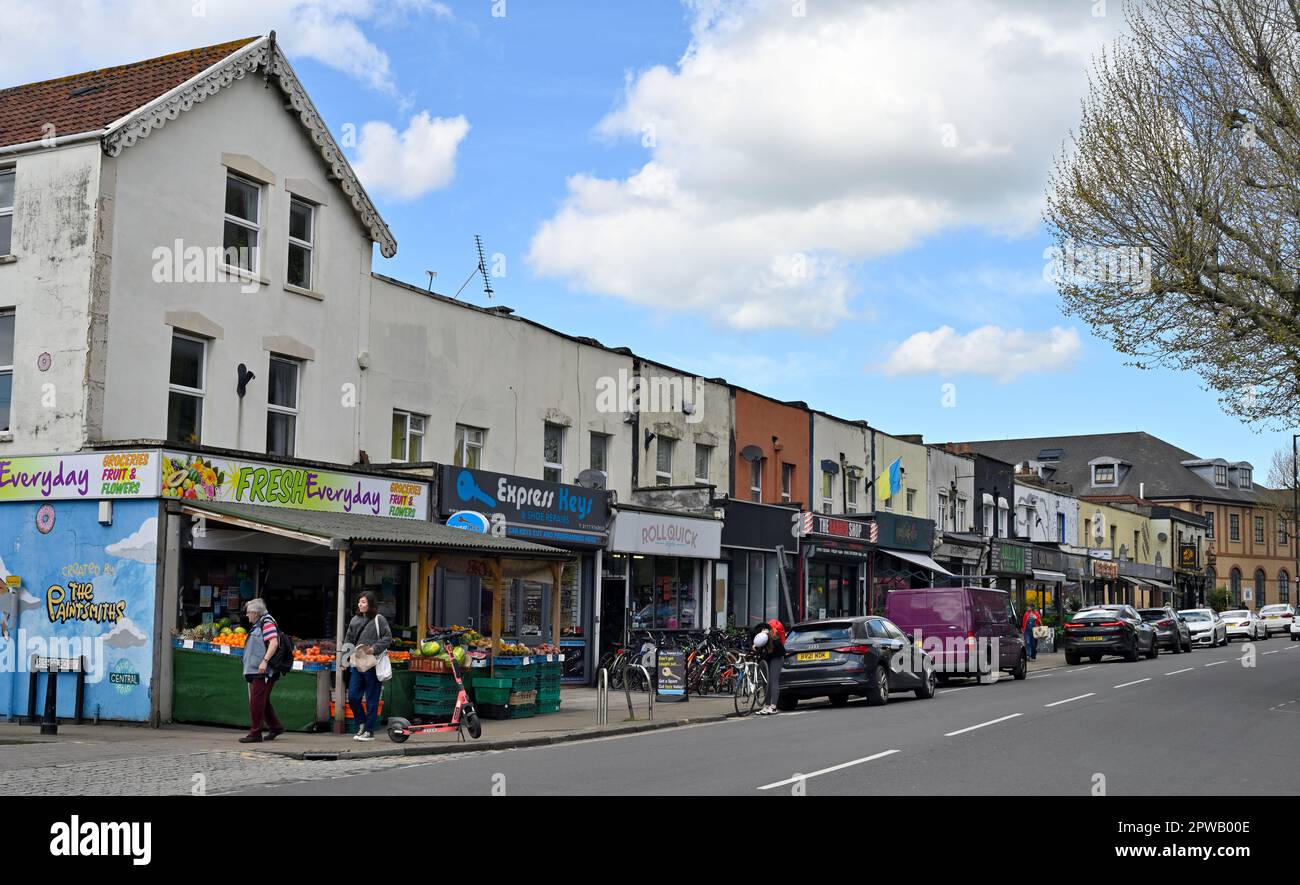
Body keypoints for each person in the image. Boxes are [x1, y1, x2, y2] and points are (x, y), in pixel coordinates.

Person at [344, 591, 392, 742]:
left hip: (373, 664)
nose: (360, 604)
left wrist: (374, 648)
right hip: (357, 664)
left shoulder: (379, 619)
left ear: (370, 604)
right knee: (352, 696)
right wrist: (343, 662)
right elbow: (348, 641)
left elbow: (388, 637)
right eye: (359, 602)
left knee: (372, 699)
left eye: (364, 602)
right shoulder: (354, 620)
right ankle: (361, 723)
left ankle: (369, 731)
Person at [240, 598, 284, 743]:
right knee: (262, 701)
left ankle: (255, 733)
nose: (247, 615)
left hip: (263, 671)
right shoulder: (260, 623)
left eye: (248, 613)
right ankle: (276, 727)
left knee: (256, 702)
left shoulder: (267, 622)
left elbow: (274, 642)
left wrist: (264, 661)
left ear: (254, 612)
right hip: (257, 670)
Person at [752, 617, 787, 716]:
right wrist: (754, 647)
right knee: (765, 682)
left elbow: (775, 651)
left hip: (777, 656)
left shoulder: (774, 640)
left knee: (773, 680)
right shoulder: (757, 636)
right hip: (766, 657)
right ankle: (766, 706)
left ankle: (773, 706)